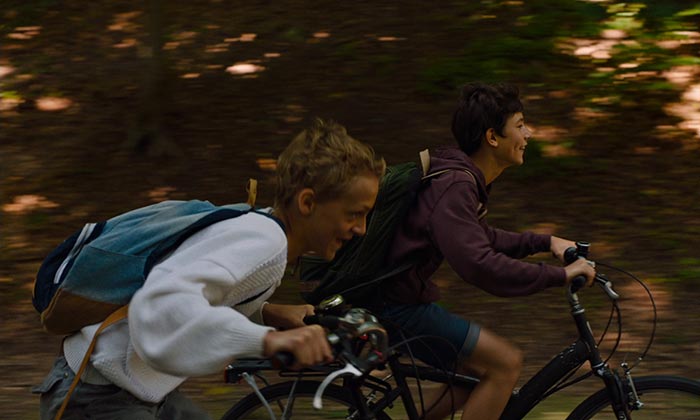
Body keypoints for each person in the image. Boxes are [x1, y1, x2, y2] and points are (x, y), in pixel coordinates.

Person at [34, 118, 386, 420]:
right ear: (307, 202)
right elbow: (161, 300)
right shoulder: (266, 243)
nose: (362, 228)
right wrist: (267, 341)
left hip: (131, 387)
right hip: (97, 394)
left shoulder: (263, 226)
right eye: (353, 213)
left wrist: (268, 313)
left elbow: (203, 289)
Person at [380, 82, 596, 420]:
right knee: (504, 363)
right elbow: (479, 264)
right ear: (492, 137)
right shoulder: (456, 185)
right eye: (520, 125)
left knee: (472, 373)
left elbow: (479, 237)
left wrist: (545, 242)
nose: (529, 133)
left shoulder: (459, 178)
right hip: (394, 304)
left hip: (395, 298)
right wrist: (560, 275)